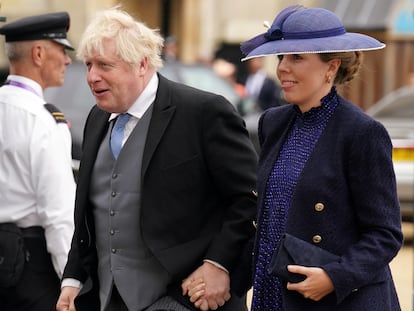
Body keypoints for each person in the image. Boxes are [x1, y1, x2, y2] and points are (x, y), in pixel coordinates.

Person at [56, 7, 257, 311]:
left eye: (105, 65)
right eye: (88, 65)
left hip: (184, 297)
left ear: (142, 64)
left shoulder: (203, 112)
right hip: (107, 299)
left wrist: (219, 263)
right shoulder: (96, 118)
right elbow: (91, 211)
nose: (92, 77)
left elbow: (249, 199)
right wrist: (73, 278)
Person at [240, 5, 403, 310]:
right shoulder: (272, 123)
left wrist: (334, 277)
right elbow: (268, 216)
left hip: (337, 300)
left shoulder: (362, 132)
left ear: (331, 67)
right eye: (281, 57)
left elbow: (385, 234)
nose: (282, 68)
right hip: (273, 292)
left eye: (297, 57)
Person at [0, 12, 76, 311]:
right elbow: (58, 214)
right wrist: (70, 282)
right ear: (39, 53)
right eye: (63, 50)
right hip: (31, 267)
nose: (69, 60)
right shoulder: (43, 121)